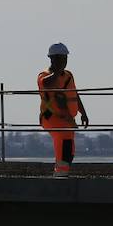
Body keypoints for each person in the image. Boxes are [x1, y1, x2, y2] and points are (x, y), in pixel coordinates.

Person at [38, 42, 90, 176]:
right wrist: (57, 72)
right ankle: (60, 176)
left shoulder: (68, 76)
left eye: (65, 58)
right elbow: (46, 84)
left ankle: (62, 173)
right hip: (52, 117)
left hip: (67, 119)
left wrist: (83, 113)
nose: (64, 62)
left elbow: (74, 94)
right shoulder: (44, 75)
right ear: (52, 59)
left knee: (69, 150)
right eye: (61, 58)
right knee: (64, 144)